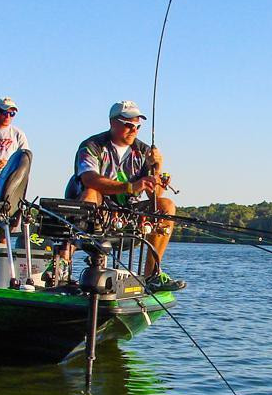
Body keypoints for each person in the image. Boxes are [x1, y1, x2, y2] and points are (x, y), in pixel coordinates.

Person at [63, 100, 184, 291]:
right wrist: (130, 187)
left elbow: (154, 195)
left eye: (137, 126)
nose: (133, 130)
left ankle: (152, 276)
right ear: (113, 123)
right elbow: (89, 178)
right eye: (128, 125)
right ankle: (64, 260)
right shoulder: (92, 146)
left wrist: (157, 170)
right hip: (98, 211)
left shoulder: (144, 151)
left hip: (128, 215)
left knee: (167, 205)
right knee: (91, 192)